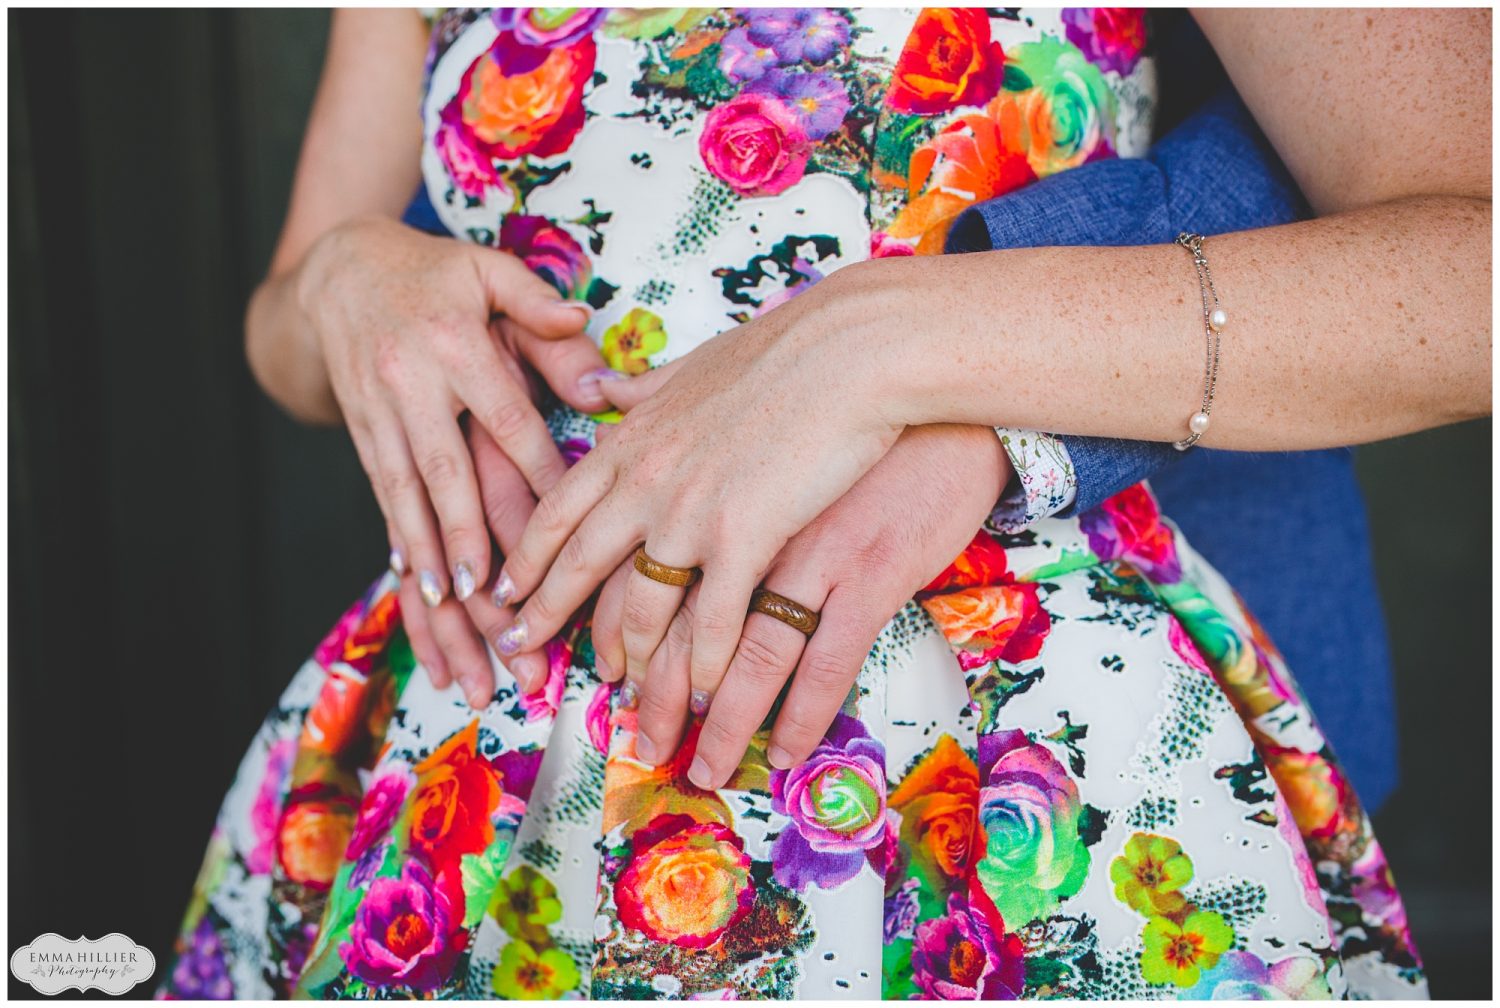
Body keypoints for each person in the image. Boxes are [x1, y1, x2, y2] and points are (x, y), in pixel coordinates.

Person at [161, 8, 1486, 999]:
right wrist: (345, 282)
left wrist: (885, 345)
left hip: (1029, 758)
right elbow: (287, 316)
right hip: (480, 760)